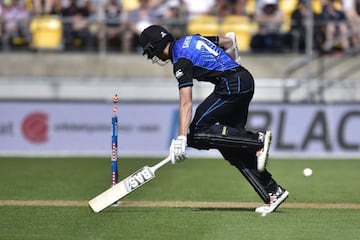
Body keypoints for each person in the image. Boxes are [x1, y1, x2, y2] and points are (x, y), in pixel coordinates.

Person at [139, 24, 289, 214]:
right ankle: (273, 191)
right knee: (232, 147)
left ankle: (257, 140)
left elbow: (186, 103)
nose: (154, 57)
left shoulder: (180, 61)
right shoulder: (190, 39)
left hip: (231, 85)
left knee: (195, 133)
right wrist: (235, 57)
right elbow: (229, 40)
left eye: (151, 52)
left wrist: (180, 138)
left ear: (156, 47)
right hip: (244, 80)